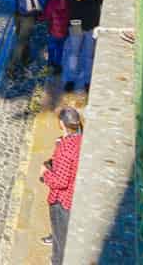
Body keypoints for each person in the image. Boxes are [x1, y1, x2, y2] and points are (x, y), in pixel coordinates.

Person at [41, 107, 84, 262]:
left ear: (61, 123)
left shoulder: (65, 149)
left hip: (62, 201)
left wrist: (44, 173)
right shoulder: (79, 139)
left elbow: (60, 181)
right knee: (62, 235)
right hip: (73, 196)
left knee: (60, 244)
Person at [64, 0, 103, 93]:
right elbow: (70, 3)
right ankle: (70, 79)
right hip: (76, 24)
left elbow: (102, 0)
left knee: (89, 55)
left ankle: (87, 81)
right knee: (73, 53)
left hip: (92, 26)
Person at [40, 0, 71, 73]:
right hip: (64, 30)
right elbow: (70, 14)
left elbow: (46, 16)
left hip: (53, 29)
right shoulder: (67, 1)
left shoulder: (50, 2)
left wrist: (39, 17)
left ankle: (50, 63)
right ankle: (58, 64)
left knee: (52, 46)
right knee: (60, 47)